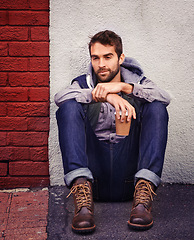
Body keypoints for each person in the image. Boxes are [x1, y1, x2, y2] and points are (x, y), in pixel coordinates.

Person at [54, 30, 170, 233]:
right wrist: (104, 95)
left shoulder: (138, 82)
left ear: (121, 58)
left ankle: (143, 200)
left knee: (157, 107)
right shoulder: (82, 84)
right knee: (68, 107)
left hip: (130, 179)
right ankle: (82, 204)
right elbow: (60, 96)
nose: (101, 64)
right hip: (93, 180)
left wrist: (124, 88)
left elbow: (165, 97)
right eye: (95, 58)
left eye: (108, 57)